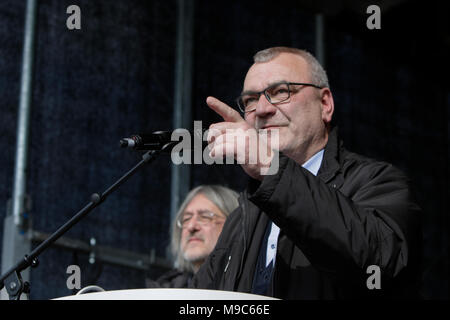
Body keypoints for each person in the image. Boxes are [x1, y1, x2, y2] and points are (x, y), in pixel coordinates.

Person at [191, 47, 422, 299]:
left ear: (325, 104)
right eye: (250, 100)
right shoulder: (242, 215)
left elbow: (380, 260)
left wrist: (272, 167)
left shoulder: (377, 181)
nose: (262, 110)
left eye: (280, 91)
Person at [146, 185, 239, 288]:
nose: (191, 226)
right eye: (186, 219)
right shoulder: (163, 292)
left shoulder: (251, 285)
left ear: (234, 225)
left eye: (205, 217)